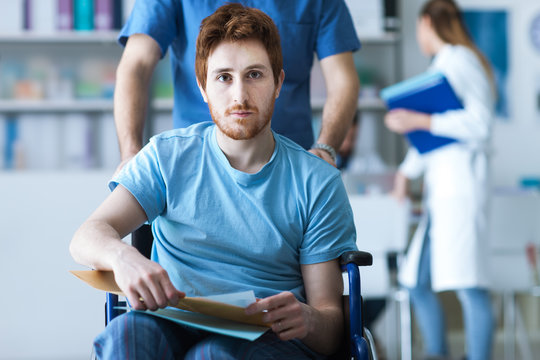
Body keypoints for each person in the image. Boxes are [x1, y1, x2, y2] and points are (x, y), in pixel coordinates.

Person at [70, 4, 357, 359]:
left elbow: (330, 331)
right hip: (170, 318)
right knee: (125, 337)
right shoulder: (166, 157)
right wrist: (122, 257)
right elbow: (87, 236)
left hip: (265, 336)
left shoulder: (317, 183)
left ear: (279, 82)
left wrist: (309, 320)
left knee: (214, 355)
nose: (239, 96)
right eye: (223, 77)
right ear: (202, 88)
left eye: (255, 75)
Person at [114, 0, 360, 169]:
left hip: (291, 166)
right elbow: (136, 65)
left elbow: (343, 80)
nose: (240, 95)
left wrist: (326, 148)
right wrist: (130, 154)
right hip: (195, 165)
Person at [384, 1, 496, 359]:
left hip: (461, 192)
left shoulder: (460, 59)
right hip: (443, 193)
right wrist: (405, 170)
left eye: (418, 28)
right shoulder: (443, 64)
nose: (418, 36)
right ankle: (438, 353)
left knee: (469, 286)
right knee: (415, 280)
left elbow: (480, 125)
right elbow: (435, 141)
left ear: (427, 22)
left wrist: (420, 121)